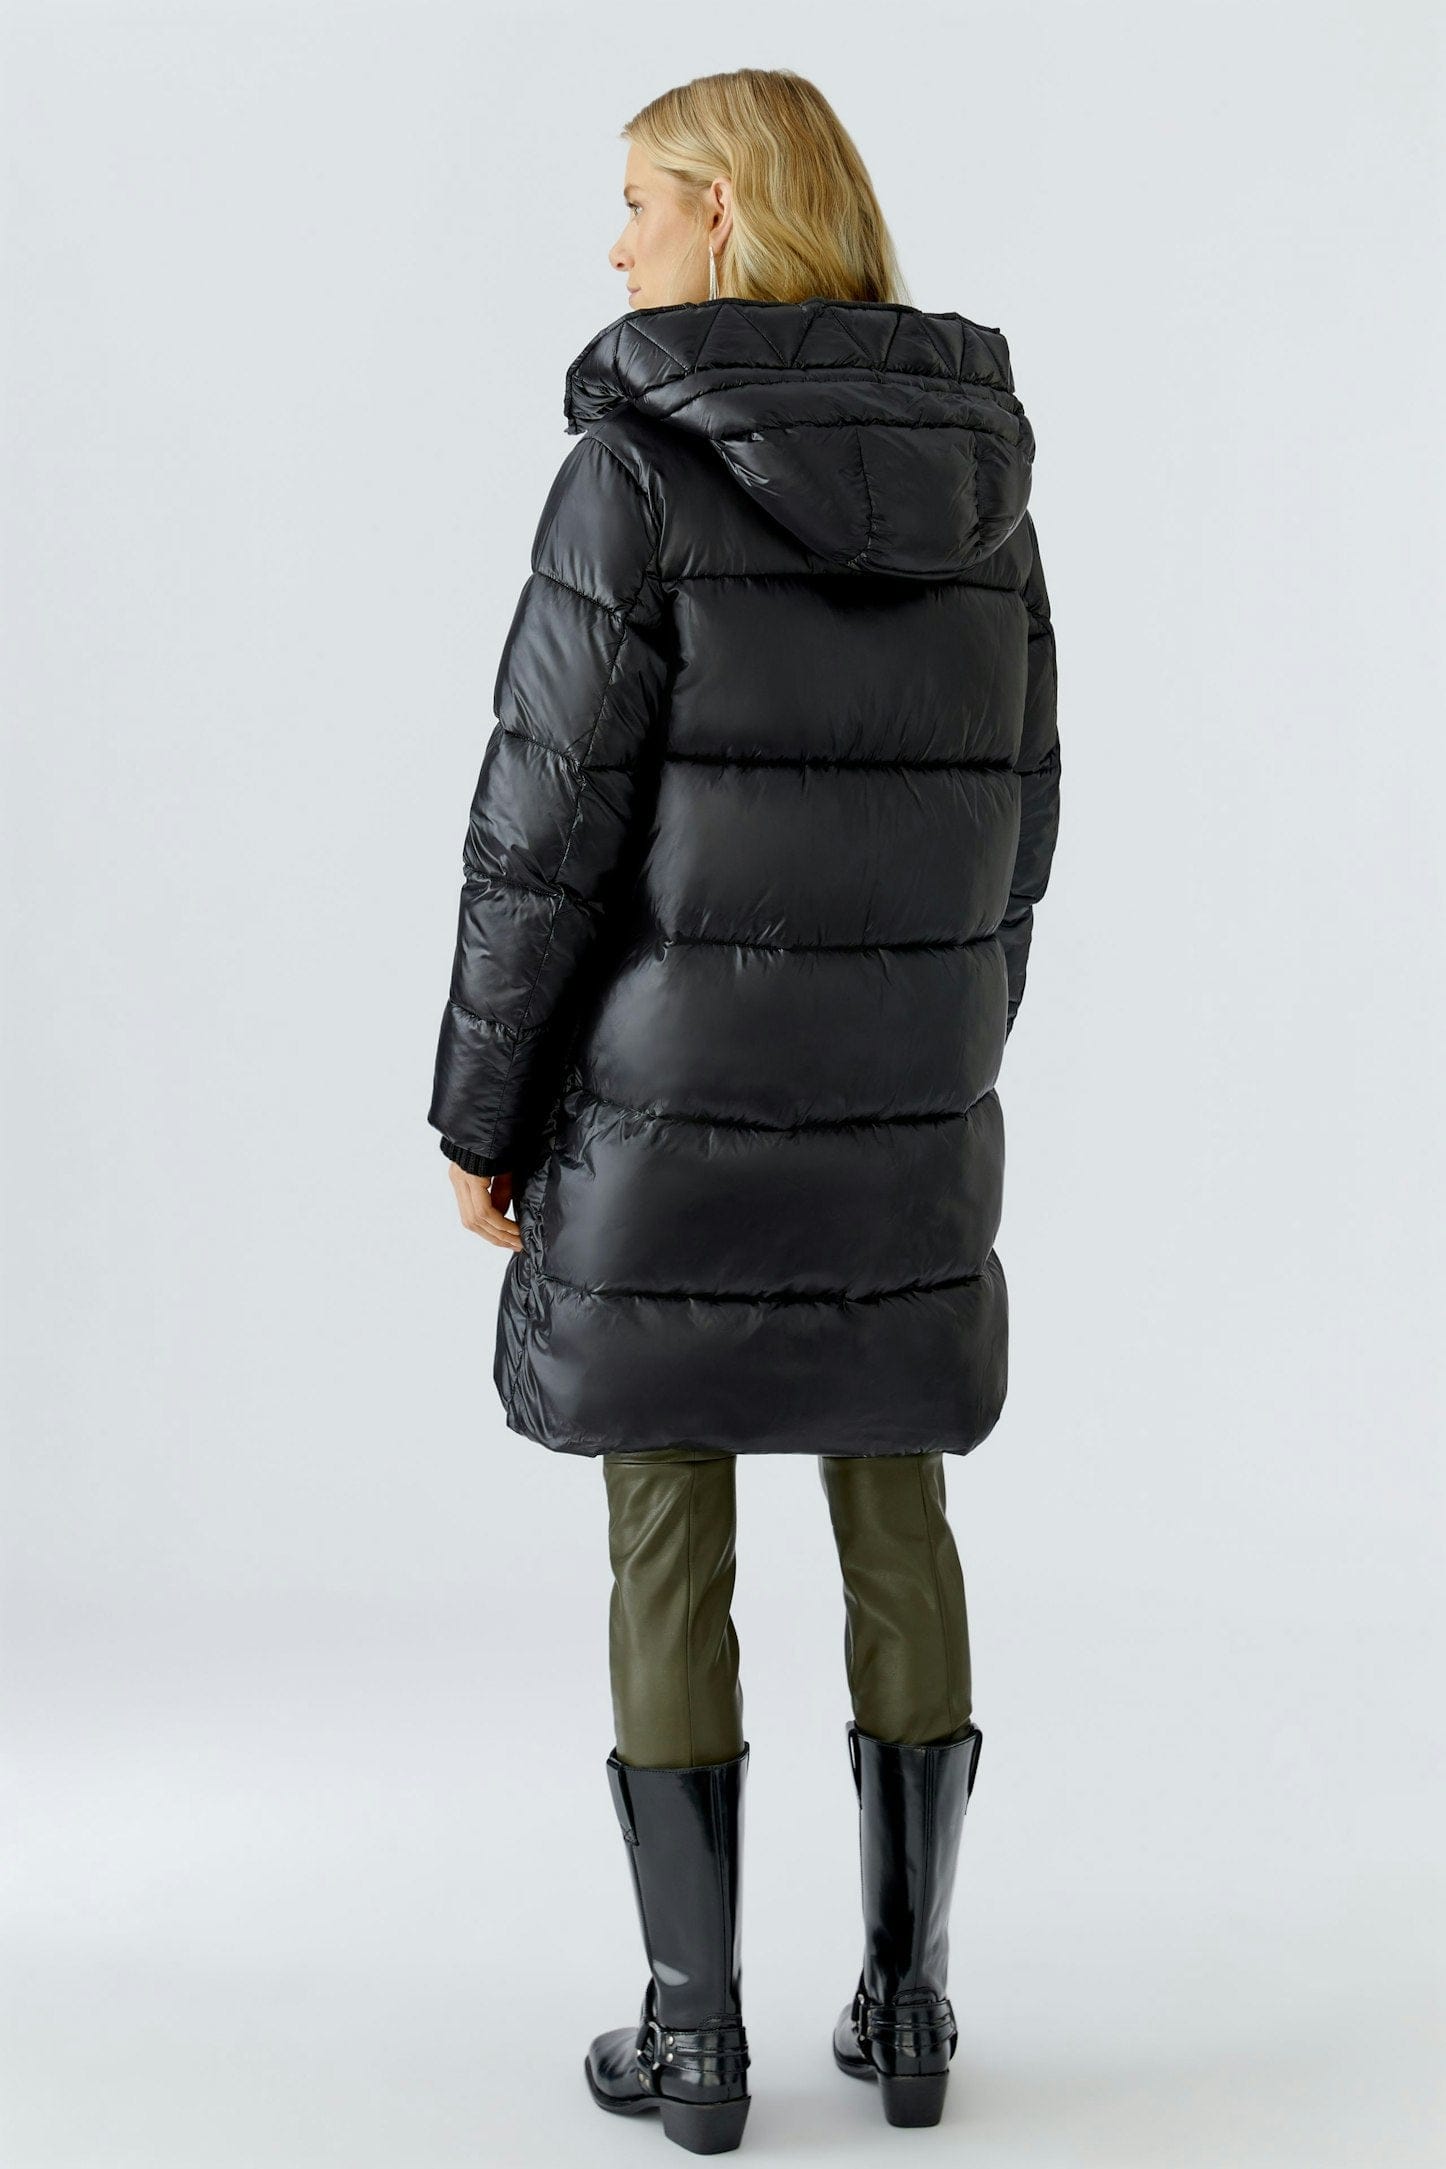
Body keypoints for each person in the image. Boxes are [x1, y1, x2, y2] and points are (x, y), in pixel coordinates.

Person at [428, 67, 1060, 2156]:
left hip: (663, 1104)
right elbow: (1023, 823)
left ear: (722, 213)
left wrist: (482, 1107)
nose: (613, 244)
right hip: (903, 1094)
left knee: (664, 1511)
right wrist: (940, 1041)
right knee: (896, 1497)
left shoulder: (634, 472)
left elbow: (540, 832)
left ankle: (693, 2034)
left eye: (636, 200)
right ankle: (910, 1999)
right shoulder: (985, 488)